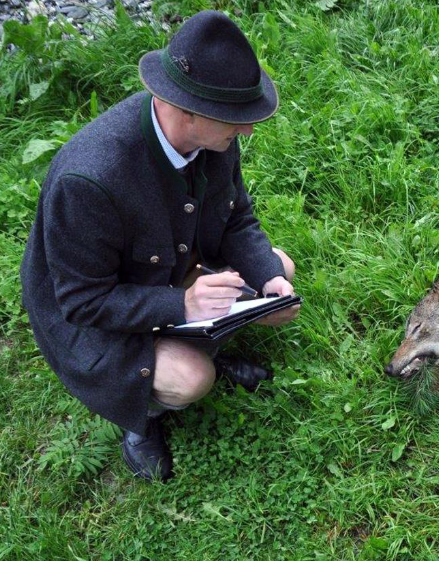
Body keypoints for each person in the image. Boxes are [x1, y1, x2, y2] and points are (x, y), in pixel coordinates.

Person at [19, 10, 300, 481]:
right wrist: (183, 303)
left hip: (170, 268)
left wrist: (267, 276)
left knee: (281, 269)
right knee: (192, 379)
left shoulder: (214, 136)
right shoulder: (89, 179)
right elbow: (81, 302)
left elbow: (236, 219)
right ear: (187, 110)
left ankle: (202, 341)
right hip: (96, 318)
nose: (247, 132)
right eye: (238, 120)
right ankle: (144, 417)